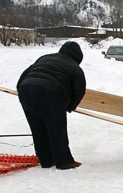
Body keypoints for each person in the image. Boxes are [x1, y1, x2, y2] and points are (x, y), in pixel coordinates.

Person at [16, 41, 87, 169]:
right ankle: (64, 162)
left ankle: (46, 160)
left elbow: (24, 76)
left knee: (37, 128)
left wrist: (23, 92)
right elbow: (79, 91)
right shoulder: (75, 68)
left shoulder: (45, 58)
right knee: (56, 129)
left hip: (25, 89)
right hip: (51, 93)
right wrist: (70, 106)